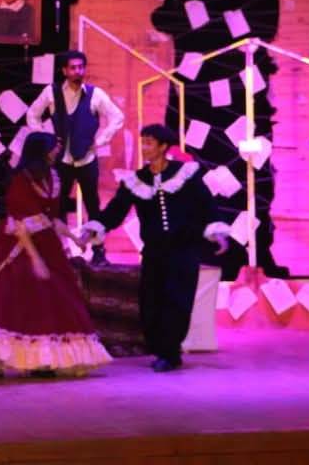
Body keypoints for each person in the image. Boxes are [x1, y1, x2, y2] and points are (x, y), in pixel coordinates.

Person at [0, 131, 111, 376]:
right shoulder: (20, 180)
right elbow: (20, 224)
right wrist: (35, 260)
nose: (57, 151)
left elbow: (52, 218)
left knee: (52, 300)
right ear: (41, 151)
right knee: (10, 299)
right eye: (54, 147)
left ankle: (40, 360)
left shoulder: (53, 177)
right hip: (18, 246)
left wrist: (75, 238)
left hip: (47, 244)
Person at [85, 125, 230, 373]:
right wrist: (94, 228)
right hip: (154, 252)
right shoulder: (136, 180)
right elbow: (115, 211)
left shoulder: (185, 174)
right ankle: (161, 349)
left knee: (178, 301)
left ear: (163, 147)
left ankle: (169, 353)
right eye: (143, 142)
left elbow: (206, 205)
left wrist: (217, 233)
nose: (144, 147)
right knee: (152, 302)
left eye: (149, 143)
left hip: (184, 250)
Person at [26, 50, 124, 263]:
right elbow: (32, 115)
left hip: (87, 161)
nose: (78, 71)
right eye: (73, 68)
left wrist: (100, 140)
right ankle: (59, 252)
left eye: (81, 67)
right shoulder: (51, 92)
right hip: (61, 161)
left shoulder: (95, 94)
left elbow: (117, 116)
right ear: (64, 71)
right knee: (58, 207)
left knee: (93, 206)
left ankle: (98, 252)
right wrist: (46, 141)